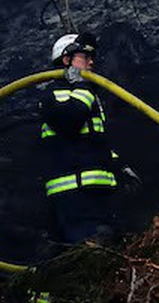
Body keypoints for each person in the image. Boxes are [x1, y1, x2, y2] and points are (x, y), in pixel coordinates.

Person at [38, 33, 134, 247]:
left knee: (114, 244)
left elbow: (95, 141)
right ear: (66, 60)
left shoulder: (88, 95)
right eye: (85, 57)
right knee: (91, 249)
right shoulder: (52, 95)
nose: (92, 62)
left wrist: (119, 166)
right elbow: (70, 120)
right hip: (74, 196)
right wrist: (83, 87)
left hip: (97, 191)